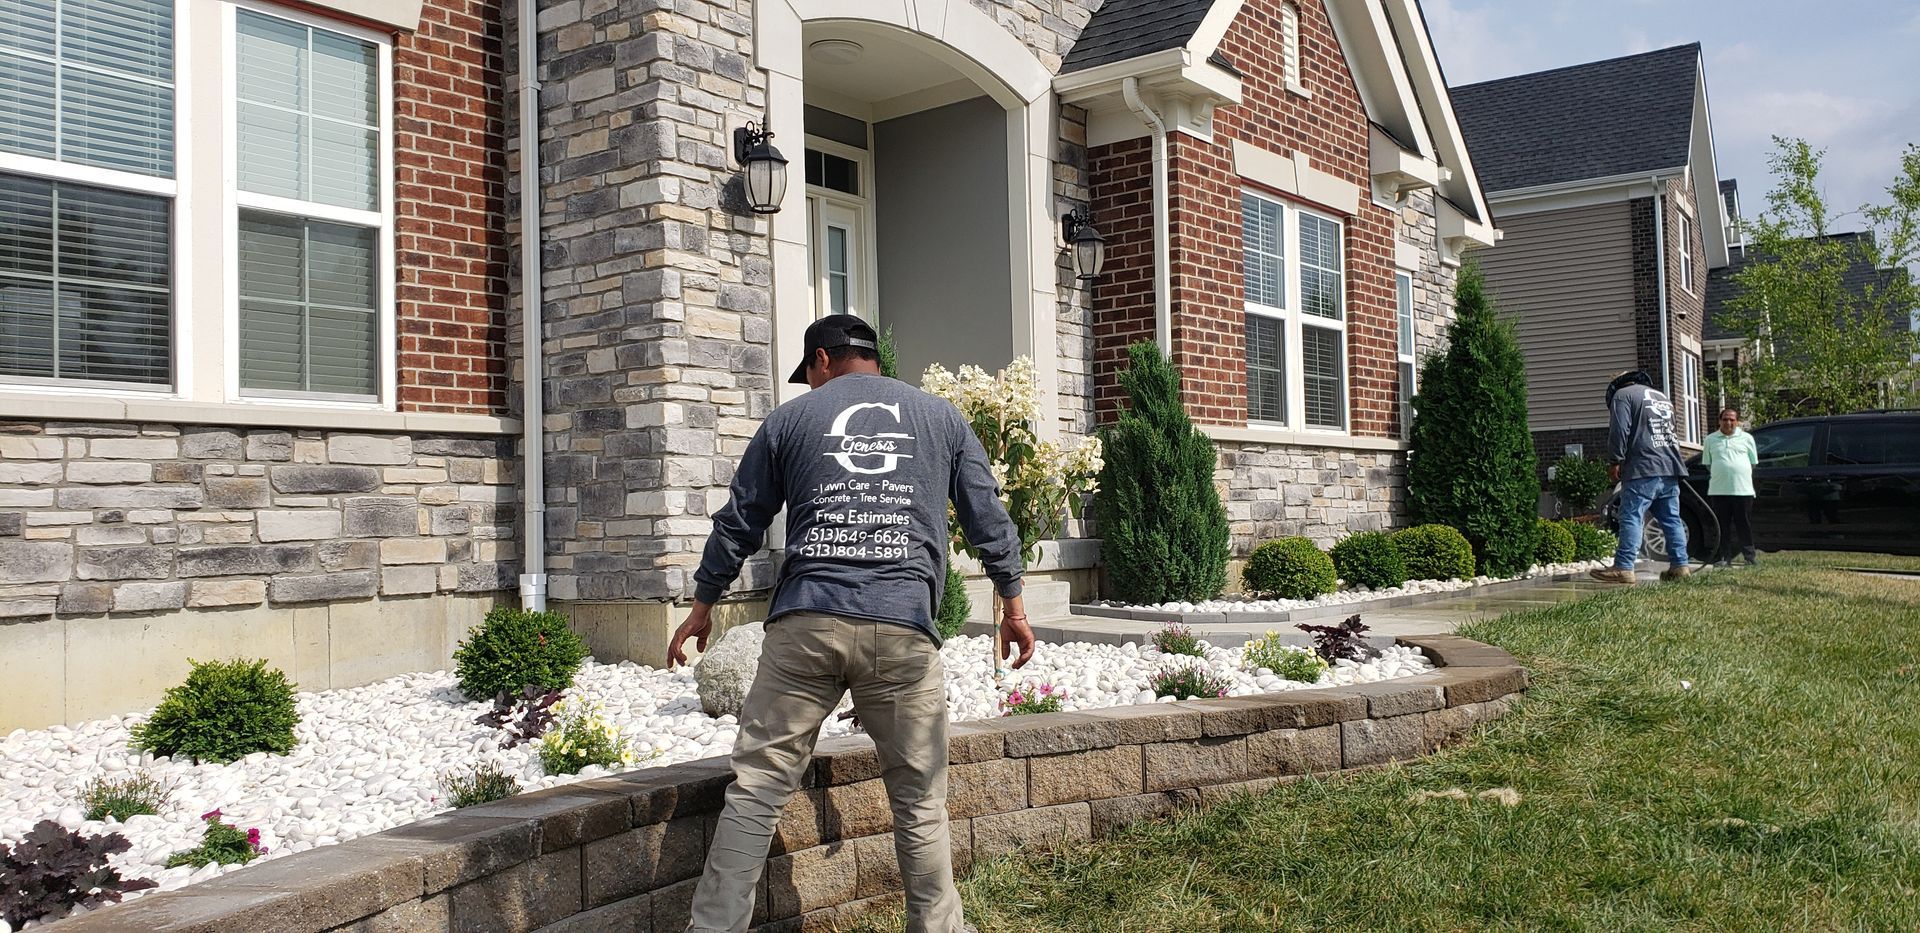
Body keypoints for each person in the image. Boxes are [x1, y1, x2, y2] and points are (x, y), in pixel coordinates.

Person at [667, 314, 1032, 933]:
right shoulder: (939, 418)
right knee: (919, 801)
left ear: (822, 360)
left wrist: (703, 604)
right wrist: (1013, 603)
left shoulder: (788, 420)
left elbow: (740, 521)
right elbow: (986, 514)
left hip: (805, 625)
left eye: (810, 375)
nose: (812, 387)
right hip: (903, 629)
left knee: (756, 791)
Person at [1590, 370, 1693, 584]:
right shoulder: (1662, 397)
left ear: (1617, 384)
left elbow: (1620, 430)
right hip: (1670, 467)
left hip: (1643, 466)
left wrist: (1615, 460)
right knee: (1671, 519)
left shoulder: (1623, 395)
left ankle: (1624, 567)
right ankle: (1680, 566)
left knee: (1631, 516)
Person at [1700, 407, 1759, 566]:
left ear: (1737, 422)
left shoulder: (1747, 438)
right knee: (1721, 526)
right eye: (1725, 419)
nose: (1728, 422)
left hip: (1743, 490)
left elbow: (1753, 462)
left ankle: (1750, 558)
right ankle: (1724, 558)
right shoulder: (1710, 440)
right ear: (1719, 421)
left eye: (1732, 419)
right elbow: (1708, 464)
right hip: (1719, 491)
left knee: (1744, 525)